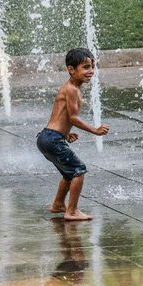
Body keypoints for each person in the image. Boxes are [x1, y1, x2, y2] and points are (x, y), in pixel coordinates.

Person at [37, 48, 110, 221]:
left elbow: (61, 116)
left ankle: (58, 204)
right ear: (71, 69)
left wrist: (65, 133)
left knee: (68, 174)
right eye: (85, 67)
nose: (91, 71)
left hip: (49, 137)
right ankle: (72, 211)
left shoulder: (72, 88)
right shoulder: (71, 89)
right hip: (52, 139)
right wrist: (95, 130)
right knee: (79, 170)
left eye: (92, 66)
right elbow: (73, 117)